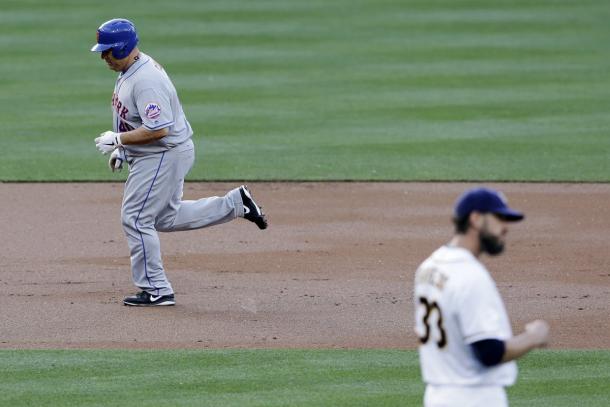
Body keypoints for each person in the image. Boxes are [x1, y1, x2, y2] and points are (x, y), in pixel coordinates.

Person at [90, 18, 268, 307]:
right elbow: (134, 117)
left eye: (107, 51)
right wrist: (122, 149)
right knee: (163, 218)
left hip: (163, 155)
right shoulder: (130, 69)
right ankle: (236, 204)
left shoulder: (146, 80)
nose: (103, 57)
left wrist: (120, 141)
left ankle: (157, 289)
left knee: (135, 218)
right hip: (156, 154)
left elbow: (159, 129)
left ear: (122, 48)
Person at [413, 187, 550, 407]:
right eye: (499, 218)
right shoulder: (471, 276)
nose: (505, 228)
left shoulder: (428, 266)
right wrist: (533, 337)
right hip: (474, 397)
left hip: (437, 396)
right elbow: (489, 352)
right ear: (476, 219)